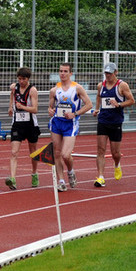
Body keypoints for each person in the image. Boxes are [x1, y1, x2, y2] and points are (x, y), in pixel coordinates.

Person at [47, 62, 93, 192]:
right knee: (56, 153)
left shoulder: (77, 88)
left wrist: (75, 114)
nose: (62, 73)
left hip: (70, 124)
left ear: (70, 73)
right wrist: (50, 110)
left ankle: (71, 171)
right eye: (61, 71)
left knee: (66, 155)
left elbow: (89, 104)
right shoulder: (54, 90)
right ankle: (61, 181)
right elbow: (50, 107)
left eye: (65, 71)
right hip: (56, 123)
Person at [92, 62, 135, 187]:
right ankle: (100, 177)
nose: (108, 75)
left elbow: (132, 100)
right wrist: (97, 109)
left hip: (115, 122)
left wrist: (119, 104)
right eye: (106, 73)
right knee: (100, 150)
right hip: (103, 121)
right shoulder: (101, 85)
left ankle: (117, 164)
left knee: (115, 153)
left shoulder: (122, 85)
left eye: (110, 73)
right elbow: (99, 98)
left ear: (115, 72)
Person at [5, 67, 41, 190]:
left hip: (30, 124)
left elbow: (35, 109)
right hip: (17, 123)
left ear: (28, 78)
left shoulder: (33, 90)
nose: (21, 81)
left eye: (23, 79)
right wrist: (10, 106)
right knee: (14, 152)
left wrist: (23, 107)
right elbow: (12, 94)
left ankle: (34, 173)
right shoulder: (15, 88)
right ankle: (13, 179)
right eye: (19, 79)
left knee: (33, 152)